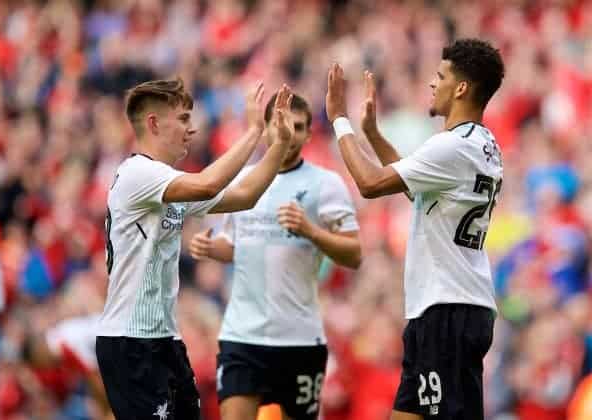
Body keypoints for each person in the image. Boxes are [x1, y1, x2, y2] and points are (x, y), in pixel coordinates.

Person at [325, 38, 505, 420]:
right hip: (445, 306)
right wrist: (372, 135)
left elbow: (371, 184)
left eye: (440, 76)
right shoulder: (483, 144)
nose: (431, 83)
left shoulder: (452, 146)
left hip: (449, 309)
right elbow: (416, 187)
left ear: (461, 88)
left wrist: (339, 120)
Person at [95, 78, 294, 420]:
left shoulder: (169, 185)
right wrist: (253, 132)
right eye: (184, 118)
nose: (192, 128)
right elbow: (209, 183)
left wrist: (279, 146)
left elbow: (244, 196)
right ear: (154, 123)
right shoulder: (137, 173)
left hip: (164, 339)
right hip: (130, 342)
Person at [188, 92, 362, 420]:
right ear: (266, 127)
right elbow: (236, 244)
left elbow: (353, 254)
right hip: (242, 334)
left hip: (298, 337)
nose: (288, 133)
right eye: (280, 123)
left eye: (297, 127)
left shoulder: (325, 184)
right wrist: (214, 249)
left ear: (309, 133)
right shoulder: (243, 181)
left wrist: (311, 231)